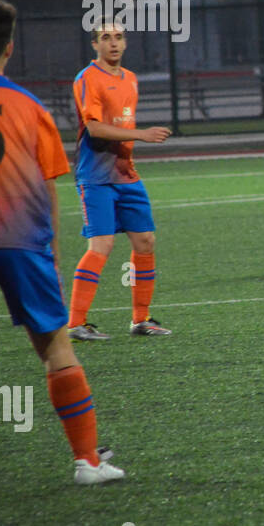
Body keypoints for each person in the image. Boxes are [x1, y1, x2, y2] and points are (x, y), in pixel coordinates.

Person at [0, 0, 124, 492]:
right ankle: (85, 461)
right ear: (10, 49)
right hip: (23, 240)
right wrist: (52, 253)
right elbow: (49, 183)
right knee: (56, 348)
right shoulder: (31, 107)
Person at [66, 21, 172, 340]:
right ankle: (76, 324)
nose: (113, 43)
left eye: (119, 37)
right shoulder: (87, 78)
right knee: (102, 244)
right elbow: (95, 128)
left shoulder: (131, 79)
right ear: (94, 45)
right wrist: (142, 135)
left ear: (125, 44)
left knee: (145, 241)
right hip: (96, 176)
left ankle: (141, 320)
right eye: (106, 38)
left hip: (126, 175)